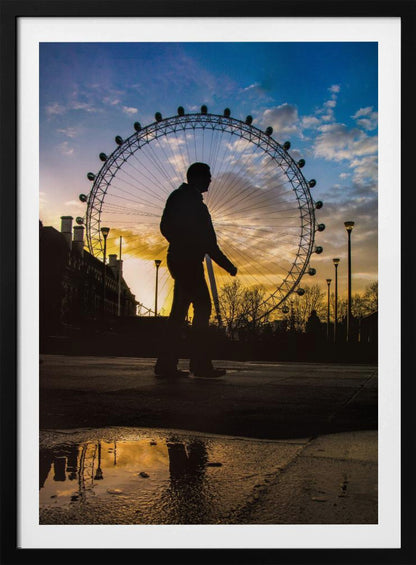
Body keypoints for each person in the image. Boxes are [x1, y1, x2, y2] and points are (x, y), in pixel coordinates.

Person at [154, 162, 237, 378]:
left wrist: (180, 242)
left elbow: (165, 227)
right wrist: (227, 265)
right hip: (188, 263)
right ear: (198, 178)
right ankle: (199, 364)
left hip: (179, 260)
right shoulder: (196, 206)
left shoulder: (177, 197)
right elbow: (209, 243)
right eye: (208, 176)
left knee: (179, 312)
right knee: (202, 307)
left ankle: (166, 365)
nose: (211, 180)